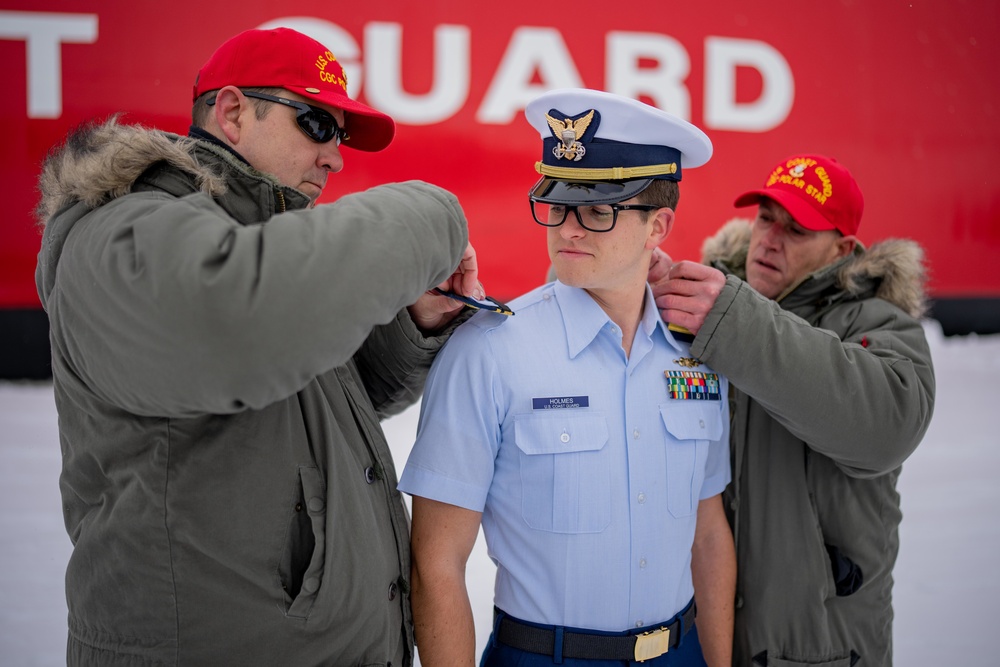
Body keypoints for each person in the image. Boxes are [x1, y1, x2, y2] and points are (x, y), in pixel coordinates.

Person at [34, 27, 481, 666]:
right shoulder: (125, 230)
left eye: (341, 137)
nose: (336, 157)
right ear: (234, 112)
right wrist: (435, 213)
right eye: (318, 125)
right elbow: (233, 337)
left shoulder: (255, 242)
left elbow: (311, 408)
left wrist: (415, 321)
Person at [398, 88, 735, 666]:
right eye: (557, 204)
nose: (568, 229)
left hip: (683, 653)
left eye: (598, 210)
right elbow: (437, 562)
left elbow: (708, 535)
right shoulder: (489, 350)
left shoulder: (696, 354)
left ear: (659, 225)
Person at [650, 155, 935, 666]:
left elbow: (885, 428)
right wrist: (630, 292)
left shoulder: (880, 325)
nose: (771, 238)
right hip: (699, 640)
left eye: (798, 228)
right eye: (766, 217)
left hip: (820, 651)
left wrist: (734, 321)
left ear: (842, 249)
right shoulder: (715, 310)